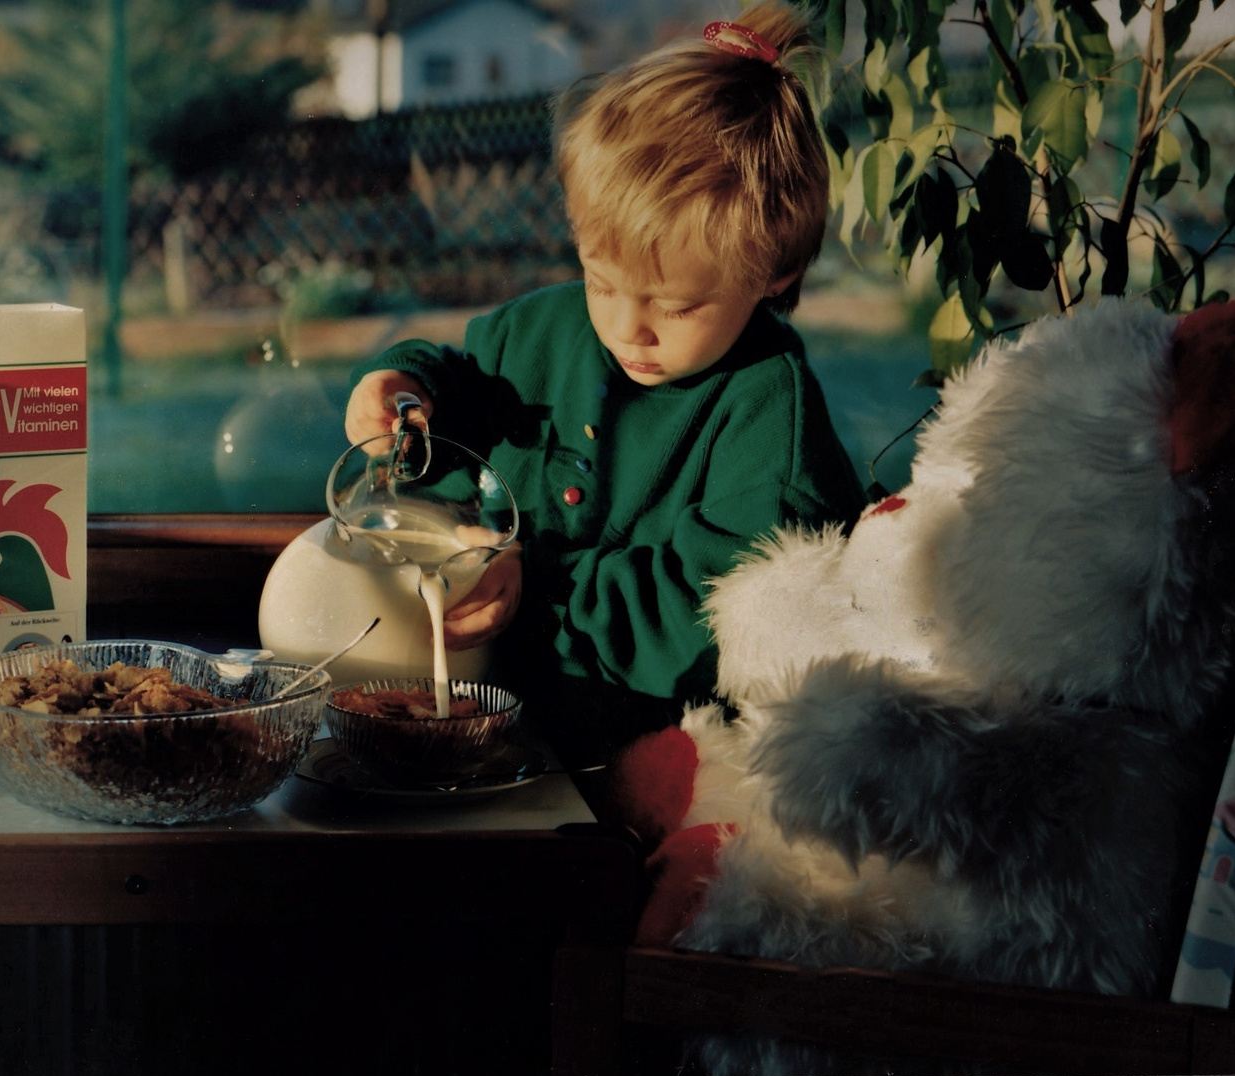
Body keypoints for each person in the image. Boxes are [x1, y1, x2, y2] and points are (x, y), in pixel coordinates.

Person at [344, 3, 866, 764]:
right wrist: (406, 394)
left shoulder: (766, 410)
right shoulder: (539, 330)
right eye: (601, 280)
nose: (629, 327)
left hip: (661, 758)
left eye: (678, 304)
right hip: (502, 729)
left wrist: (539, 591)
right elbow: (461, 393)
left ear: (775, 273)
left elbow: (714, 612)